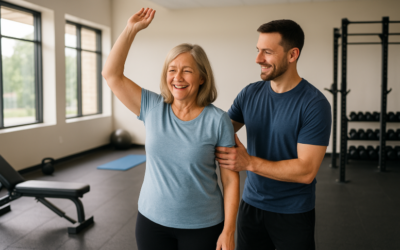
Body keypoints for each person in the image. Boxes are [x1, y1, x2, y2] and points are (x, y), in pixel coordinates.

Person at [102, 8, 239, 250]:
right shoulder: (153, 107)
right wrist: (131, 30)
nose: (178, 77)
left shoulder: (218, 121)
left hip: (203, 225)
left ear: (202, 78)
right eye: (172, 69)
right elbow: (111, 74)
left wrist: (229, 231)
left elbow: (230, 180)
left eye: (187, 70)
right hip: (151, 221)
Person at [215, 20, 332, 250]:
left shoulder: (314, 104)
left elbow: (306, 171)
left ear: (292, 55)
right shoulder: (249, 94)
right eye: (258, 51)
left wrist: (249, 162)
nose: (258, 59)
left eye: (267, 52)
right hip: (251, 206)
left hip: (293, 211)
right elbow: (219, 132)